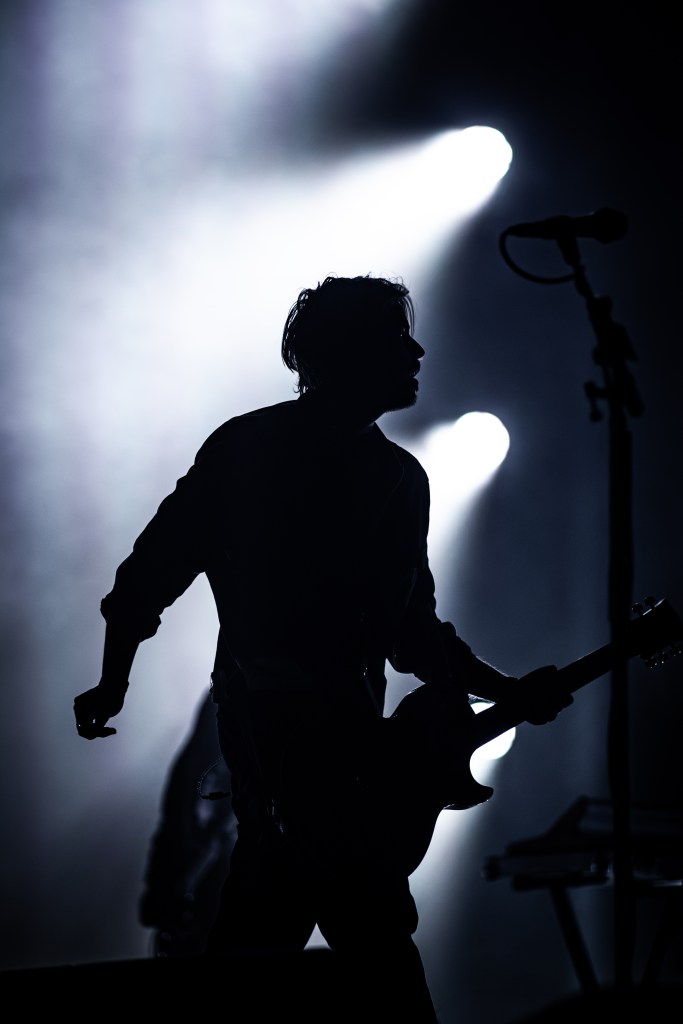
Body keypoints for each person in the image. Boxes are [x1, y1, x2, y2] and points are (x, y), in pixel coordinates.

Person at [73, 274, 572, 1020]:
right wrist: (113, 680)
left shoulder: (398, 479)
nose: (417, 351)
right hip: (277, 749)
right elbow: (149, 577)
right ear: (346, 351)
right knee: (360, 936)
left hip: (342, 758)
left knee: (282, 930)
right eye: (395, 338)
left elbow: (413, 634)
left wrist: (505, 690)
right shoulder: (250, 451)